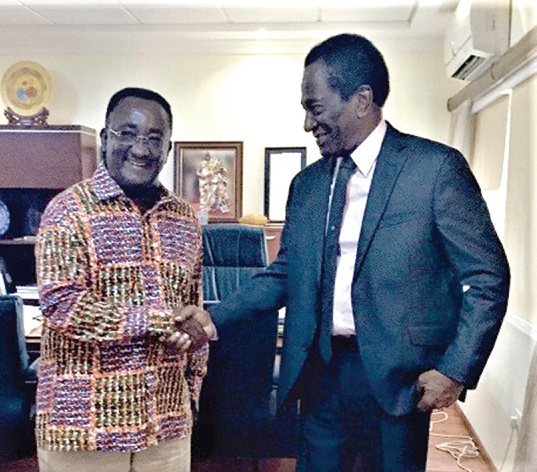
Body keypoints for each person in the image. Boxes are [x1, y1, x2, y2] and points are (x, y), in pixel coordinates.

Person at [207, 34, 510, 471]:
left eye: (315, 107)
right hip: (318, 376)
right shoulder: (307, 186)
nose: (307, 124)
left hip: (398, 384)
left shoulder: (434, 170)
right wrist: (212, 318)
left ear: (362, 99)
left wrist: (455, 369)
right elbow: (285, 272)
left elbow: (488, 278)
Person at [34, 87, 216, 472]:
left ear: (168, 148)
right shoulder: (68, 211)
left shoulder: (184, 218)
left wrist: (192, 394)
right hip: (84, 431)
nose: (141, 148)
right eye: (128, 133)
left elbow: (193, 310)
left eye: (155, 138)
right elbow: (63, 306)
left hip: (165, 425)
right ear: (105, 138)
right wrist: (158, 319)